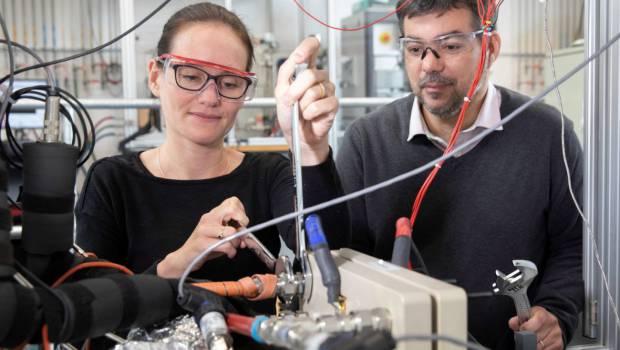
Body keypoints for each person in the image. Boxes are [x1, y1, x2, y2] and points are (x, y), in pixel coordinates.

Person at [333, 1, 583, 349]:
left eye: (449, 46)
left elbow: (572, 246)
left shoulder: (548, 135)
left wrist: (557, 312)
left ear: (490, 48)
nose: (429, 65)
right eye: (415, 48)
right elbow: (342, 259)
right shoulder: (366, 142)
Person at [76, 2, 348, 306]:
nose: (210, 97)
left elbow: (330, 255)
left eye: (229, 83)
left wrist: (310, 149)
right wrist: (180, 262)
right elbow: (91, 308)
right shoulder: (112, 181)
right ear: (155, 77)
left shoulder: (268, 175)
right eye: (190, 76)